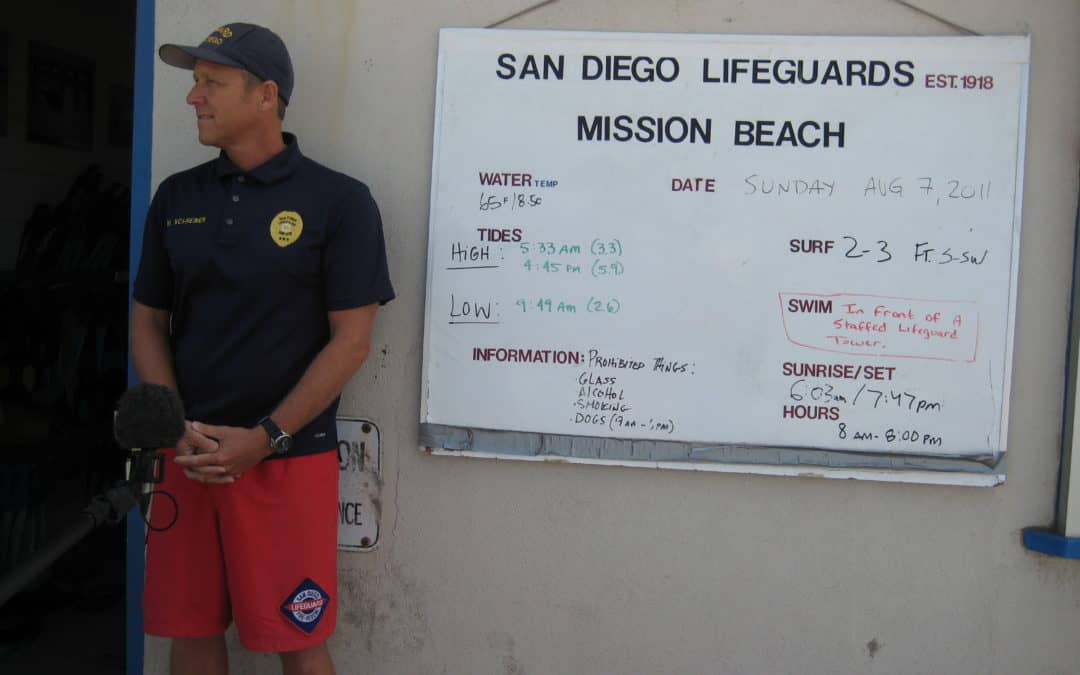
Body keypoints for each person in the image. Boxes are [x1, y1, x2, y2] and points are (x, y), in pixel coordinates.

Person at [131, 22, 394, 675]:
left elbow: (352, 341)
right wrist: (174, 424)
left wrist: (265, 435)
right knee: (187, 629)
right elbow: (146, 320)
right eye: (194, 82)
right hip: (186, 457)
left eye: (211, 82)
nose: (194, 97)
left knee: (296, 636)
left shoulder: (340, 202)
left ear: (265, 95)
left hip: (284, 458)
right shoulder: (176, 197)